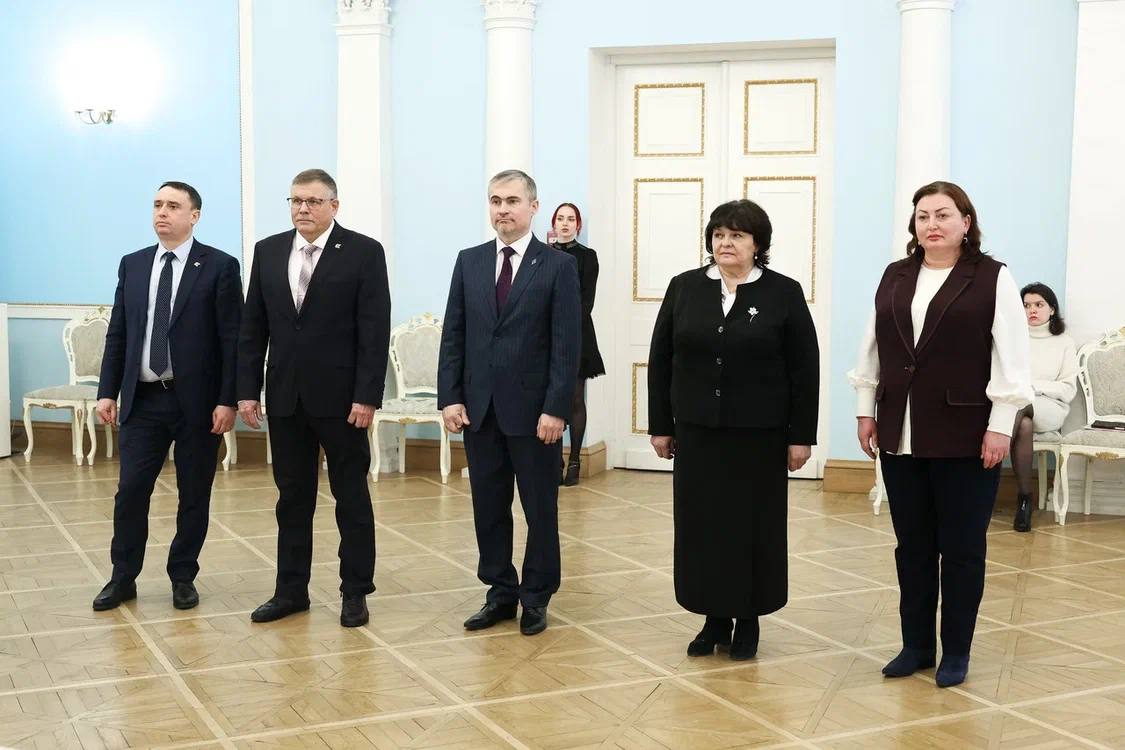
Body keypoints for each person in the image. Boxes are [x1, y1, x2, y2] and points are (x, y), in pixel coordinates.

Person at [851, 181, 1032, 688]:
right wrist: (866, 410)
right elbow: (873, 345)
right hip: (900, 432)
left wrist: (1000, 427)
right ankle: (915, 646)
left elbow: (1012, 359)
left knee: (961, 549)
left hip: (966, 434)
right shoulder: (895, 274)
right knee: (911, 547)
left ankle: (956, 651)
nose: (932, 224)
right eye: (923, 216)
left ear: (965, 222)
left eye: (943, 214)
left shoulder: (992, 277)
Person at [647, 198, 819, 661]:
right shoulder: (685, 287)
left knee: (752, 528)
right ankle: (713, 618)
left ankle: (748, 620)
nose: (726, 242)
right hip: (698, 432)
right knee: (703, 527)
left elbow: (805, 368)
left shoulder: (783, 292)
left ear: (757, 243)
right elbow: (661, 358)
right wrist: (661, 425)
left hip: (759, 435)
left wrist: (800, 435)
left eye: (737, 235)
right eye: (719, 234)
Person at [237, 169, 390, 628]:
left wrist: (367, 396)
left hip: (343, 402)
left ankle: (355, 591)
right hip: (286, 399)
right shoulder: (268, 251)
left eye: (313, 201)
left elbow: (374, 330)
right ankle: (290, 591)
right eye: (296, 200)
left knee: (351, 498)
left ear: (334, 206)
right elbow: (253, 328)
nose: (302, 208)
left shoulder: (363, 252)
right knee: (292, 499)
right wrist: (247, 391)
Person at [438, 169, 581, 636]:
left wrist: (556, 408)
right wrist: (450, 398)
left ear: (533, 207)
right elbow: (454, 334)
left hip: (535, 415)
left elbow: (566, 344)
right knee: (489, 508)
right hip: (479, 412)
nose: (503, 209)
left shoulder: (557, 266)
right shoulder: (469, 261)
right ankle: (500, 591)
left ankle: (536, 596)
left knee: (540, 510)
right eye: (496, 200)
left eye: (512, 201)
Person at [93, 181, 242, 612]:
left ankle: (183, 576)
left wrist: (228, 399)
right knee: (130, 491)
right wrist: (107, 391)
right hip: (143, 400)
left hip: (197, 403)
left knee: (193, 494)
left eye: (173, 206)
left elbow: (232, 340)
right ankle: (123, 577)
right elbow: (119, 332)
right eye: (157, 204)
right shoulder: (134, 264)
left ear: (194, 216)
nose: (162, 212)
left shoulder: (219, 266)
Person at [1010, 282, 1078, 531]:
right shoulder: (1012, 339)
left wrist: (1032, 386)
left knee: (1020, 407)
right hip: (1017, 406)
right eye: (1026, 305)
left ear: (1052, 309)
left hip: (1050, 407)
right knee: (1023, 425)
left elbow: (1067, 389)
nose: (1032, 310)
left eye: (1039, 304)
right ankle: (1024, 500)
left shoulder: (1064, 342)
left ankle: (985, 473)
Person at [549, 202, 605, 486]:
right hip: (546, 335)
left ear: (578, 225)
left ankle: (574, 461)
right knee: (551, 398)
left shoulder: (587, 256)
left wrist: (564, 327)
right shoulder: (543, 254)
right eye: (560, 218)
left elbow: (587, 302)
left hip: (578, 334)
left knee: (574, 397)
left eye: (571, 219)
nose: (565, 223)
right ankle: (554, 461)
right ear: (553, 223)